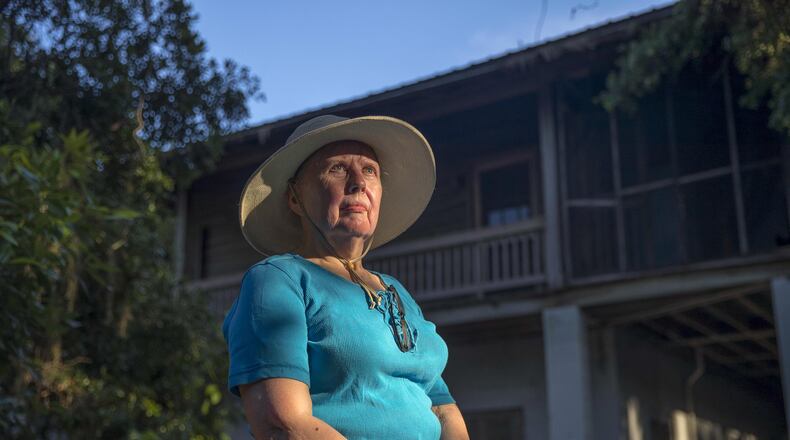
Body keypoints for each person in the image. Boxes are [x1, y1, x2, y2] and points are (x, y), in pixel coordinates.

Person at [223, 115, 470, 439]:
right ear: (295, 197)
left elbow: (442, 408)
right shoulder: (278, 280)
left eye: (369, 170)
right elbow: (282, 422)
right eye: (337, 168)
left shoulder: (395, 291)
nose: (358, 183)